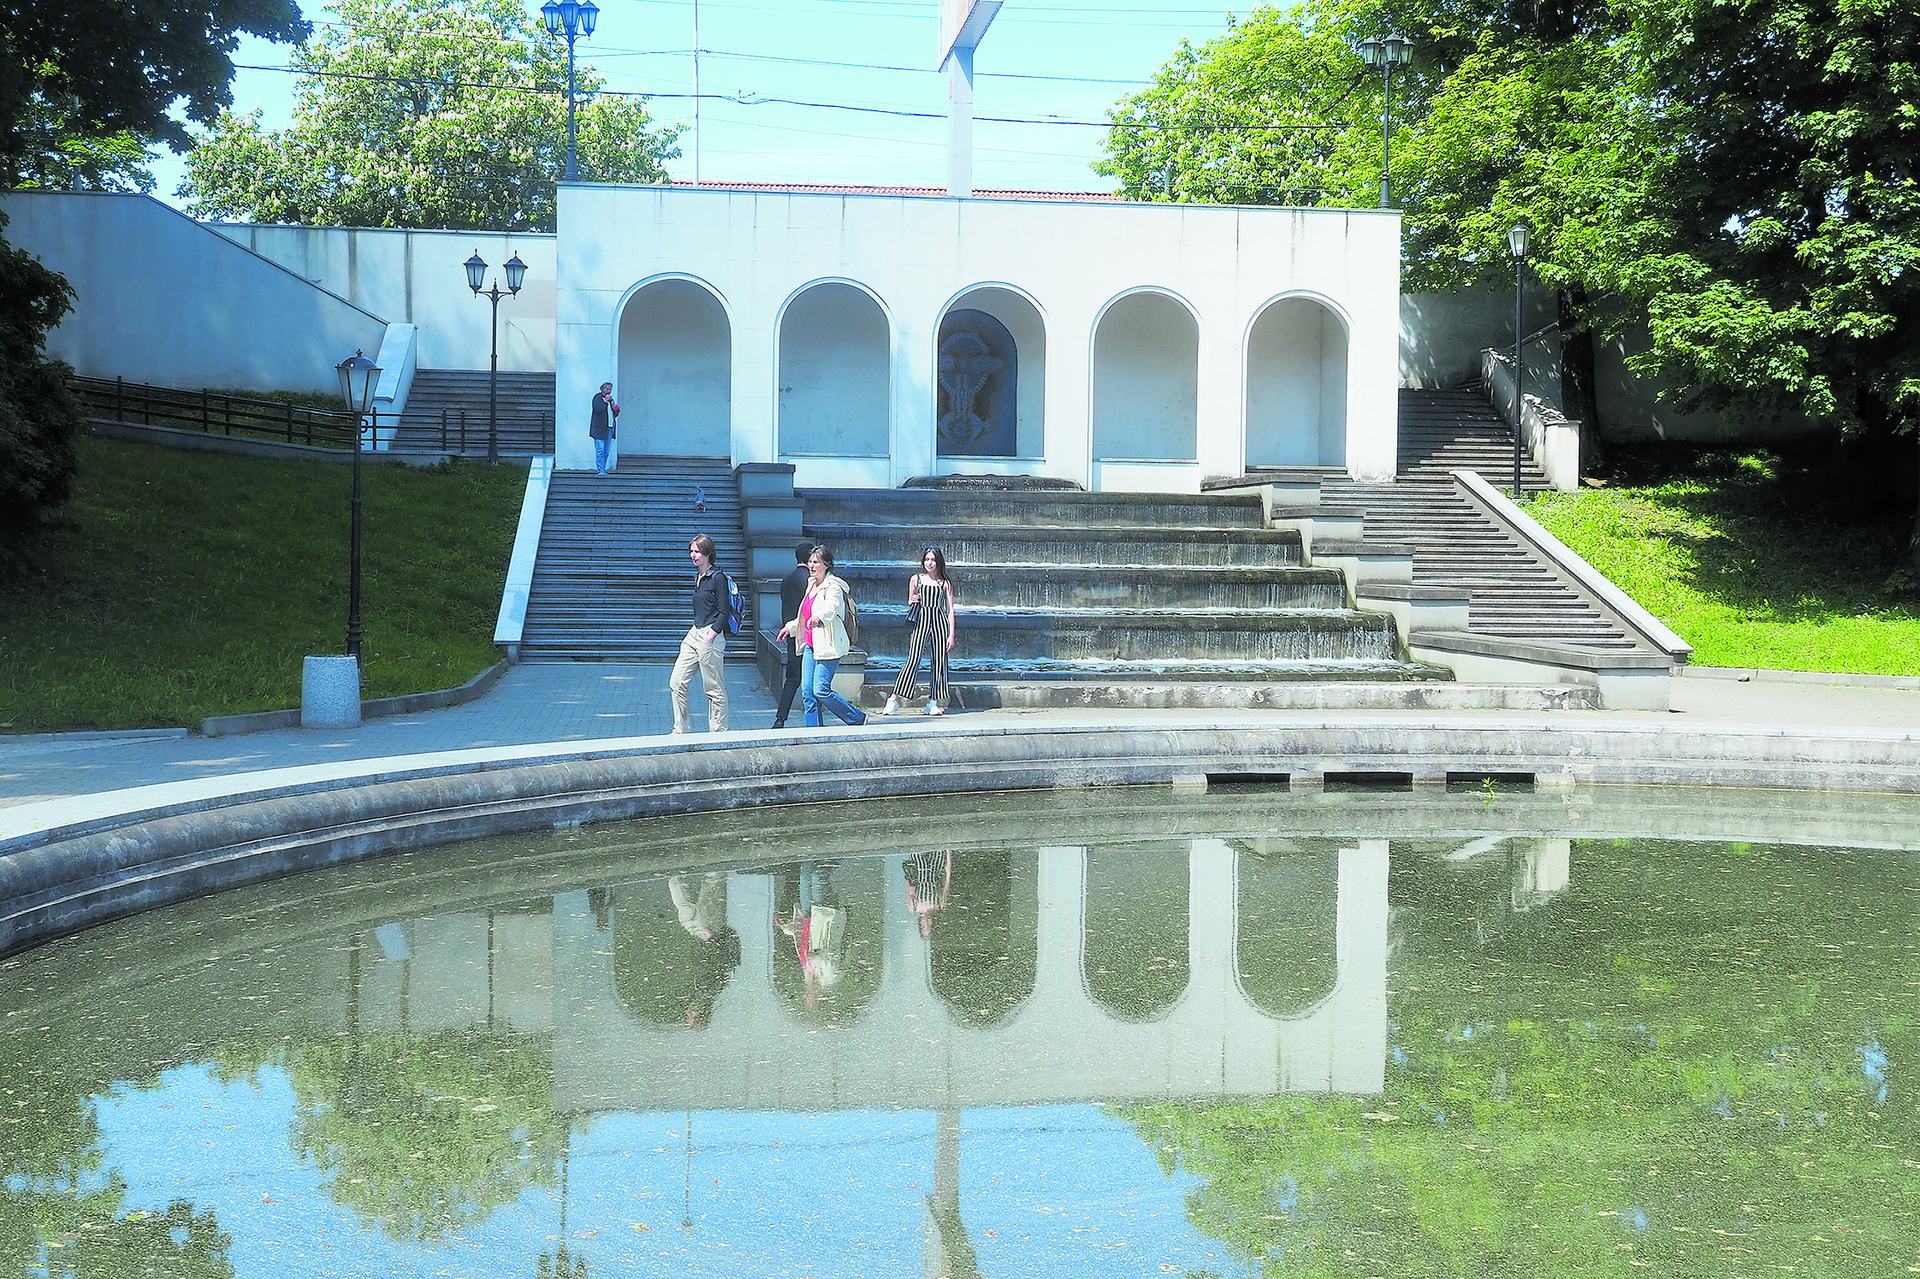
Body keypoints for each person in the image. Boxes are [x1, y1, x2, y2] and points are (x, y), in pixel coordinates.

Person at [775, 544, 867, 728]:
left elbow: (832, 607)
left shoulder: (833, 586)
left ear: (826, 564)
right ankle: (814, 732)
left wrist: (820, 617)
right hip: (810, 645)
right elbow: (804, 614)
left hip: (828, 645)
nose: (811, 566)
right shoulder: (811, 585)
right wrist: (790, 627)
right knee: (808, 693)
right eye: (810, 562)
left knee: (821, 690)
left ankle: (856, 717)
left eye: (816, 562)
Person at [884, 545, 957, 716]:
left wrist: (951, 633)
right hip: (921, 620)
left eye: (933, 559)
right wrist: (913, 599)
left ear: (939, 562)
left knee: (939, 661)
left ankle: (933, 701)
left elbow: (950, 609)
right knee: (913, 659)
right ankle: (894, 699)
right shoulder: (916, 579)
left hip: (939, 621)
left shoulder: (945, 583)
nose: (930, 563)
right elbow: (910, 600)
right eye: (927, 559)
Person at [670, 534, 730, 734]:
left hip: (710, 634)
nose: (692, 555)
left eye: (697, 551)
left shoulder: (718, 578)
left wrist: (712, 634)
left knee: (713, 688)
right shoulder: (698, 577)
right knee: (676, 682)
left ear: (707, 553)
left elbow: (724, 611)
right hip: (694, 633)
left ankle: (718, 732)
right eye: (691, 551)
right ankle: (681, 729)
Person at [770, 540, 813, 729]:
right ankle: (814, 718)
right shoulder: (812, 582)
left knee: (792, 679)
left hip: (792, 634)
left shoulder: (787, 580)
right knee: (813, 679)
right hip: (811, 634)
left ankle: (780, 718)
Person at [588, 381, 620, 475]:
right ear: (602, 389)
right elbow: (597, 409)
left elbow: (614, 413)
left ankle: (604, 469)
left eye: (610, 389)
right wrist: (605, 401)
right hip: (599, 429)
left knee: (606, 451)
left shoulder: (610, 400)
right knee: (600, 451)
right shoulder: (597, 398)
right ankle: (600, 470)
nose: (609, 391)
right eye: (607, 389)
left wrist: (615, 409)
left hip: (609, 429)